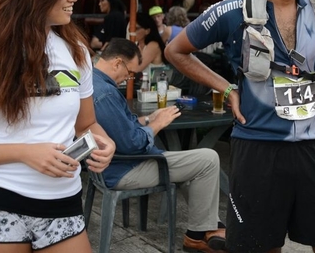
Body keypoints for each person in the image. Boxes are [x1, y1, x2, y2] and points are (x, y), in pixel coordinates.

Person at [165, 0, 315, 253]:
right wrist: (226, 88)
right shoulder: (233, 10)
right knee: (259, 246)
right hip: (258, 147)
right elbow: (175, 50)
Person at [0, 0, 115, 252]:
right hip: (0, 200)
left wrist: (104, 142)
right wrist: (25, 153)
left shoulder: (76, 50)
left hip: (63, 201)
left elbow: (86, 124)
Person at [92, 38, 226, 252]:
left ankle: (210, 229)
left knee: (193, 166)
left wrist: (148, 119)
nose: (128, 78)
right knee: (208, 159)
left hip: (114, 165)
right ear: (117, 63)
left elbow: (122, 129)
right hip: (124, 168)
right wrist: (157, 124)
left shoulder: (92, 82)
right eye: (129, 73)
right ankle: (198, 235)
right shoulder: (106, 93)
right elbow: (133, 144)